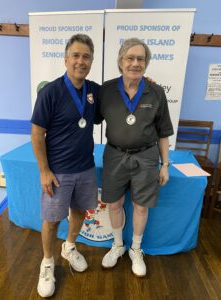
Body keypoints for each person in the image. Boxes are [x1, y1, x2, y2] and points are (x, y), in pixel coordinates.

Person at [31, 34, 100, 298]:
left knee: (80, 212)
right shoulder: (51, 92)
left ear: (91, 61)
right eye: (76, 55)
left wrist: (145, 83)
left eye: (86, 56)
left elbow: (120, 96)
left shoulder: (94, 91)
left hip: (85, 168)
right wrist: (44, 171)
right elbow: (37, 134)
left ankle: (69, 247)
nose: (80, 61)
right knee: (51, 220)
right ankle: (48, 262)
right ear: (66, 58)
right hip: (57, 172)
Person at [97, 38, 174, 277]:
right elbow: (88, 115)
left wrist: (165, 165)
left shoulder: (156, 91)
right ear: (121, 62)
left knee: (141, 206)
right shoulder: (106, 90)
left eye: (141, 59)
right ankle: (118, 245)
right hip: (115, 155)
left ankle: (136, 249)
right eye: (130, 58)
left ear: (146, 63)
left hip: (147, 156)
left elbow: (163, 133)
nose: (135, 63)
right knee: (114, 203)